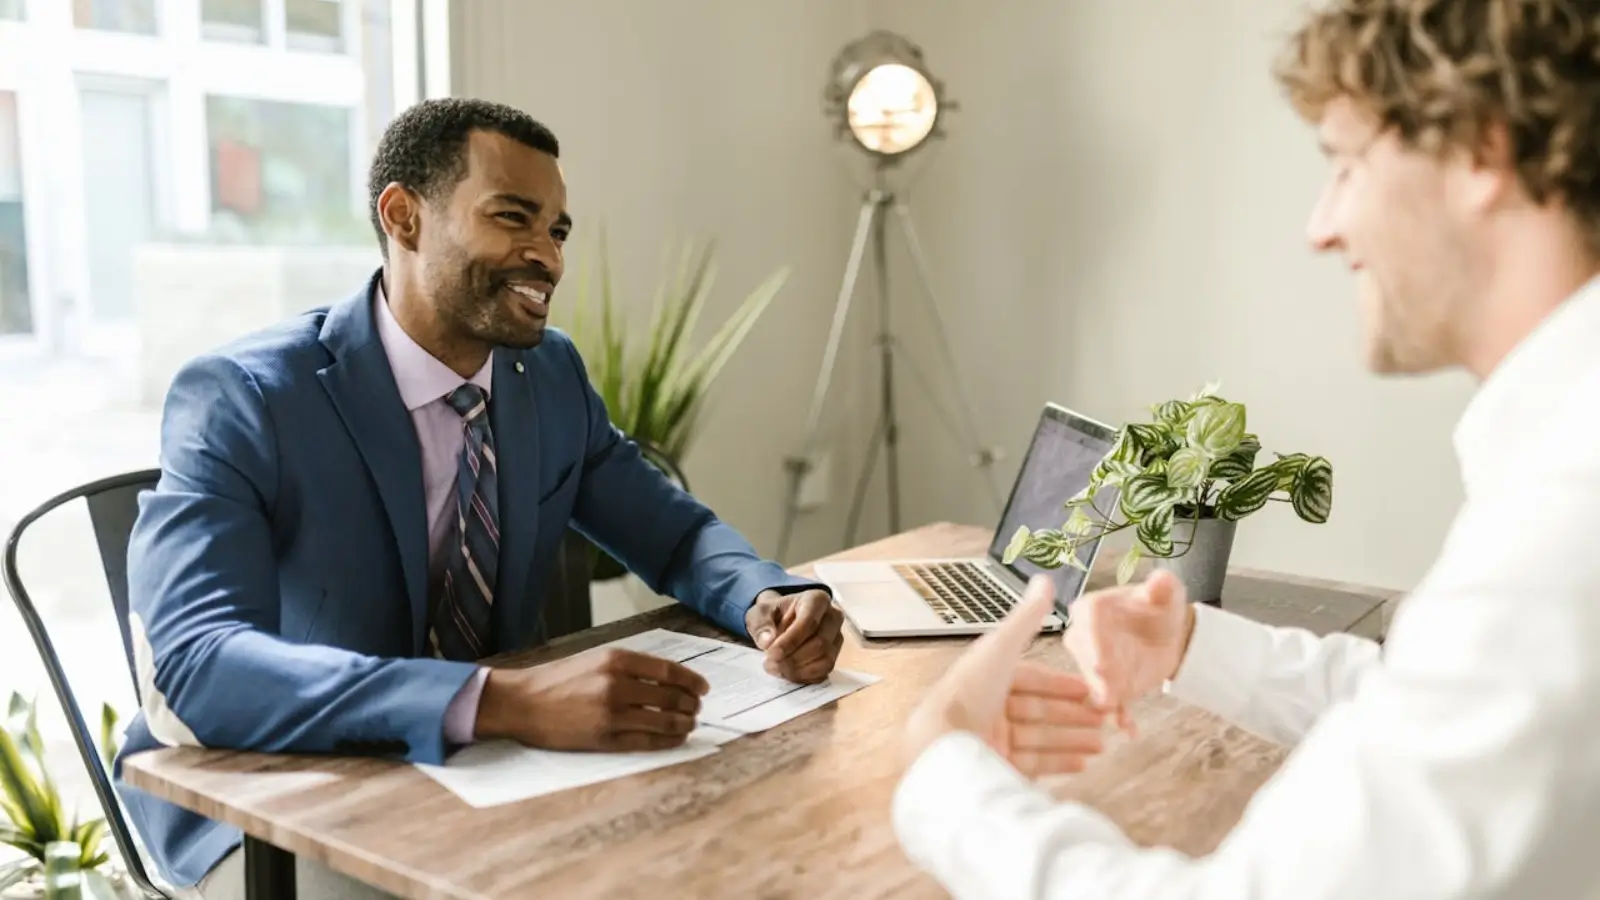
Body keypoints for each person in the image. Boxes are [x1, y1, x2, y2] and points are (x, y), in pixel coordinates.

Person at [894, 0, 1600, 897]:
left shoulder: (1568, 523)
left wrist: (941, 774)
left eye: (1345, 165)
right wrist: (1194, 647)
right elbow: (1442, 703)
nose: (1322, 226)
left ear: (1481, 152)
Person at [112, 97, 845, 899]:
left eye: (558, 230)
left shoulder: (548, 376)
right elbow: (196, 665)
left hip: (494, 770)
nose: (548, 257)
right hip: (276, 797)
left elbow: (672, 535)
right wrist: (498, 701)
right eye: (513, 218)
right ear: (404, 217)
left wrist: (765, 595)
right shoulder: (247, 397)